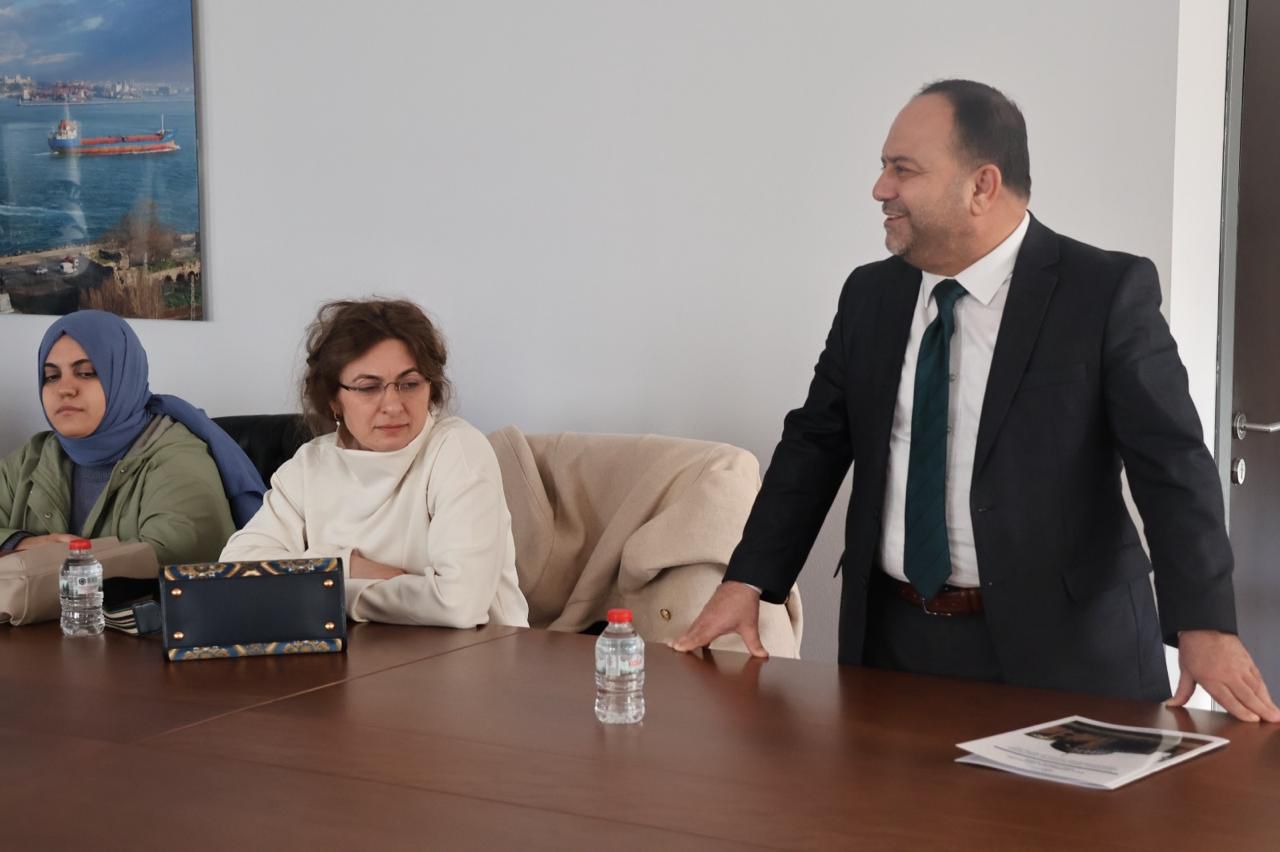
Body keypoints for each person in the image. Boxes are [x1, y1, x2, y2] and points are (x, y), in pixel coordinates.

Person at [674, 79, 1280, 723]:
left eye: (903, 169)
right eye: (883, 167)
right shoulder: (870, 296)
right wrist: (748, 579)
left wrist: (1204, 622)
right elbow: (815, 443)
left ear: (982, 186)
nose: (880, 188)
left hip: (1064, 655)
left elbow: (1171, 464)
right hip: (893, 645)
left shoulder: (1102, 293)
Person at [221, 298, 529, 629]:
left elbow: (459, 606)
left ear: (431, 387)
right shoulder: (310, 464)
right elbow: (238, 570)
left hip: (479, 652)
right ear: (334, 399)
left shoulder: (458, 450)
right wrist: (348, 565)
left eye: (410, 384)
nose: (393, 405)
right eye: (369, 387)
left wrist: (326, 587)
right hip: (356, 653)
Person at [0, 310, 262, 564]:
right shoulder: (33, 457)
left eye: (87, 372)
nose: (64, 389)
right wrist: (21, 544)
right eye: (51, 376)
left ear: (125, 377)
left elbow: (172, 556)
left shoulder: (178, 457)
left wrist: (41, 558)